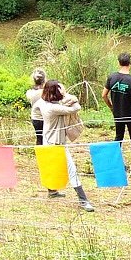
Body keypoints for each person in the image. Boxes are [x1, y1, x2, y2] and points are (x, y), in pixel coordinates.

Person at [35, 80, 95, 211]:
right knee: (71, 169)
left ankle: (52, 191)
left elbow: (35, 109)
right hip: (56, 143)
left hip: (49, 139)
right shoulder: (54, 108)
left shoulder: (42, 102)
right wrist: (66, 94)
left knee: (52, 166)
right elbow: (76, 107)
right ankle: (83, 200)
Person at [102, 51, 131, 169]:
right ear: (130, 63)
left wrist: (111, 107)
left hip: (118, 114)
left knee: (118, 137)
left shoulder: (112, 77)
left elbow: (104, 95)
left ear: (119, 63)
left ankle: (115, 163)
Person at [25, 68, 48, 145]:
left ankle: (39, 154)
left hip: (35, 117)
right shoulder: (46, 92)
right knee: (47, 138)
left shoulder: (30, 93)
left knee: (39, 138)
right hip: (46, 116)